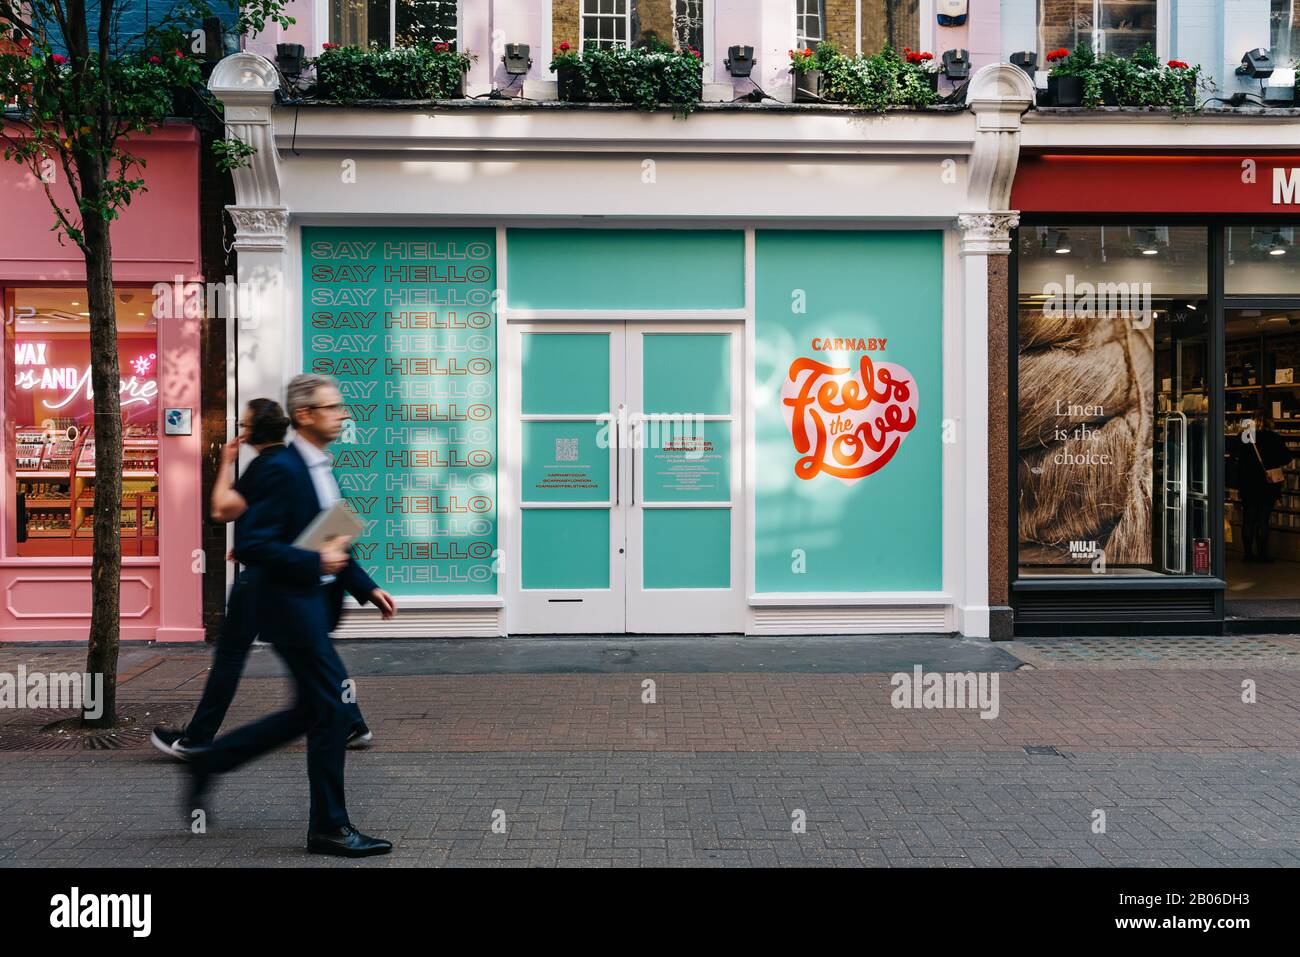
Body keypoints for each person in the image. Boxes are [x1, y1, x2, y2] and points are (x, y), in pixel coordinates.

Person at [183, 374, 397, 857]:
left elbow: (333, 538)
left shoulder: (322, 466)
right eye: (333, 407)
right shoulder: (282, 467)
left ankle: (209, 761)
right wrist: (313, 562)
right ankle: (329, 827)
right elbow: (254, 543)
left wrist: (367, 587)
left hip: (313, 611)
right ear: (304, 415)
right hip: (289, 611)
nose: (342, 414)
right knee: (331, 712)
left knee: (312, 711)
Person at [151, 399, 373, 759]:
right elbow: (322, 527)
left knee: (232, 657)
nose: (241, 429)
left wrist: (226, 461)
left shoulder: (266, 466)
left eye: (245, 423)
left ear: (253, 430)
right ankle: (350, 721)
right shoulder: (290, 463)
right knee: (313, 653)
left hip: (262, 583)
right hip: (288, 582)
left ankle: (198, 740)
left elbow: (221, 510)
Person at [1231, 423, 1294, 563]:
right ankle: (1262, 554)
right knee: (1263, 520)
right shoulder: (1274, 437)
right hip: (1267, 485)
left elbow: (1233, 455)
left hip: (1248, 484)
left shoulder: (1245, 437)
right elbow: (1287, 458)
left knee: (1248, 520)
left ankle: (1247, 554)